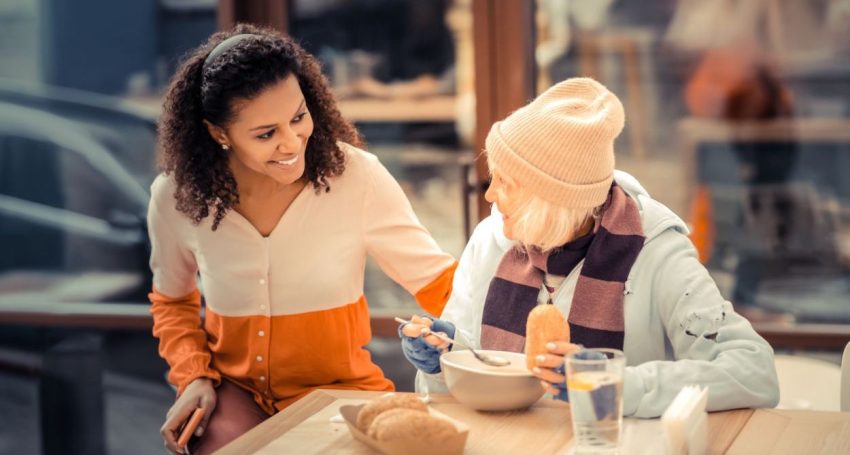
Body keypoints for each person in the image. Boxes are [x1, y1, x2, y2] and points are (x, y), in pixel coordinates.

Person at [149, 24, 457, 454]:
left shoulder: (357, 177)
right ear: (219, 133)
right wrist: (193, 376)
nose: (291, 142)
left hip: (340, 391)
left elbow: (438, 280)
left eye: (298, 117)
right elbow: (173, 302)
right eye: (265, 133)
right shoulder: (176, 197)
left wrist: (501, 344)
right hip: (231, 392)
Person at [398, 78, 779, 418]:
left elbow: (753, 372)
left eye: (505, 181)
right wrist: (443, 361)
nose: (490, 193)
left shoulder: (658, 253)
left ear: (551, 199)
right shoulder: (491, 237)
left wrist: (613, 385)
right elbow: (465, 374)